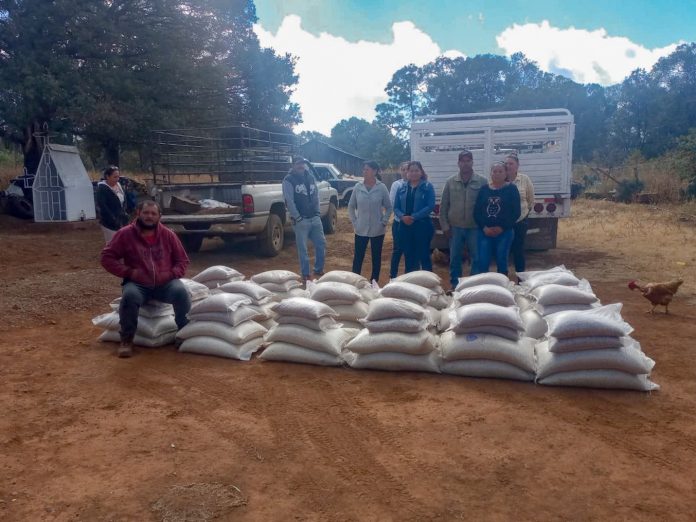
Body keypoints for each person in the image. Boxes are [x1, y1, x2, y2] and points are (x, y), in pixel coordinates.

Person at [100, 200, 191, 358]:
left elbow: (182, 260)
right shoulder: (125, 234)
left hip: (165, 284)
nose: (149, 216)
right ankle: (127, 340)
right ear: (138, 213)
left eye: (153, 213)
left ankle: (183, 334)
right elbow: (107, 257)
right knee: (129, 296)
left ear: (159, 216)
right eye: (146, 213)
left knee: (181, 292)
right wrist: (129, 272)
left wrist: (170, 274)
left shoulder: (168, 235)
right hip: (138, 284)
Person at [439, 150, 487, 290]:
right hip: (455, 228)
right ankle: (455, 286)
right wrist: (445, 226)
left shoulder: (482, 181)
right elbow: (443, 205)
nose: (465, 164)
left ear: (472, 162)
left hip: (474, 227)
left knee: (476, 258)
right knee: (455, 258)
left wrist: (484, 226)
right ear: (458, 163)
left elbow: (486, 206)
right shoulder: (450, 181)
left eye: (468, 161)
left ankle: (472, 286)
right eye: (462, 161)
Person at [282, 156, 326, 281]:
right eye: (298, 164)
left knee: (321, 243)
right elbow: (289, 201)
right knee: (303, 249)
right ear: (293, 165)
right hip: (301, 220)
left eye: (302, 163)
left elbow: (316, 195)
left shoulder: (310, 177)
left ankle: (318, 269)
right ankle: (306, 274)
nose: (301, 166)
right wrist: (297, 217)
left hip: (314, 218)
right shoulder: (288, 180)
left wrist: (317, 212)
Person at [473, 162, 521, 276]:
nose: (497, 174)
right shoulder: (484, 189)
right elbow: (477, 212)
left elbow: (516, 212)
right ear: (491, 173)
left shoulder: (512, 189)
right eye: (494, 171)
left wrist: (502, 227)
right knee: (482, 262)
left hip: (504, 233)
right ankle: (484, 284)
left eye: (500, 171)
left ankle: (502, 284)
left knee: (502, 261)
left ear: (505, 173)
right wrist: (484, 228)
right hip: (485, 232)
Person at [348, 161, 392, 283]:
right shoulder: (358, 187)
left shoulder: (381, 187)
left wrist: (384, 221)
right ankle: (355, 281)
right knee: (358, 257)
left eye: (367, 169)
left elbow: (389, 207)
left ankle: (374, 282)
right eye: (364, 169)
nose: (364, 172)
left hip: (377, 229)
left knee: (376, 257)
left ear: (375, 171)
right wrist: (355, 222)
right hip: (360, 228)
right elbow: (351, 206)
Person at [394, 161, 436, 273]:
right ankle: (410, 280)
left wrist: (413, 217)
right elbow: (396, 207)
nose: (414, 173)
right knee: (409, 256)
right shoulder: (401, 187)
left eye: (416, 170)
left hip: (422, 226)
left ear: (421, 172)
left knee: (424, 255)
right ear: (407, 173)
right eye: (411, 171)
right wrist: (402, 217)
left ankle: (428, 281)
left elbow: (430, 206)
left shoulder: (427, 187)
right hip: (405, 227)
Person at [505, 153, 535, 275]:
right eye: (506, 163)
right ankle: (503, 278)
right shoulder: (500, 179)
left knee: (518, 250)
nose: (508, 166)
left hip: (520, 221)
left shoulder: (524, 179)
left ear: (517, 166)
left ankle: (521, 278)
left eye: (511, 163)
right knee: (504, 250)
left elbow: (530, 199)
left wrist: (524, 214)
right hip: (504, 223)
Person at [96, 166, 129, 244]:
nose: (117, 179)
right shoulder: (102, 188)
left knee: (123, 242)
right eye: (115, 177)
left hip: (121, 219)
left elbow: (124, 200)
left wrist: (124, 212)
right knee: (112, 243)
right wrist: (113, 219)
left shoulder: (119, 185)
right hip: (109, 222)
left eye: (118, 177)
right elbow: (103, 206)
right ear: (107, 176)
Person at [388, 161, 409, 279]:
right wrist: (402, 216)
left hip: (412, 223)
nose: (405, 172)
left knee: (410, 251)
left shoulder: (416, 184)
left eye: (407, 169)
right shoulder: (396, 185)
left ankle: (408, 277)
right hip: (399, 223)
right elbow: (392, 203)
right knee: (397, 250)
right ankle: (393, 276)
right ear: (400, 171)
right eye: (403, 169)